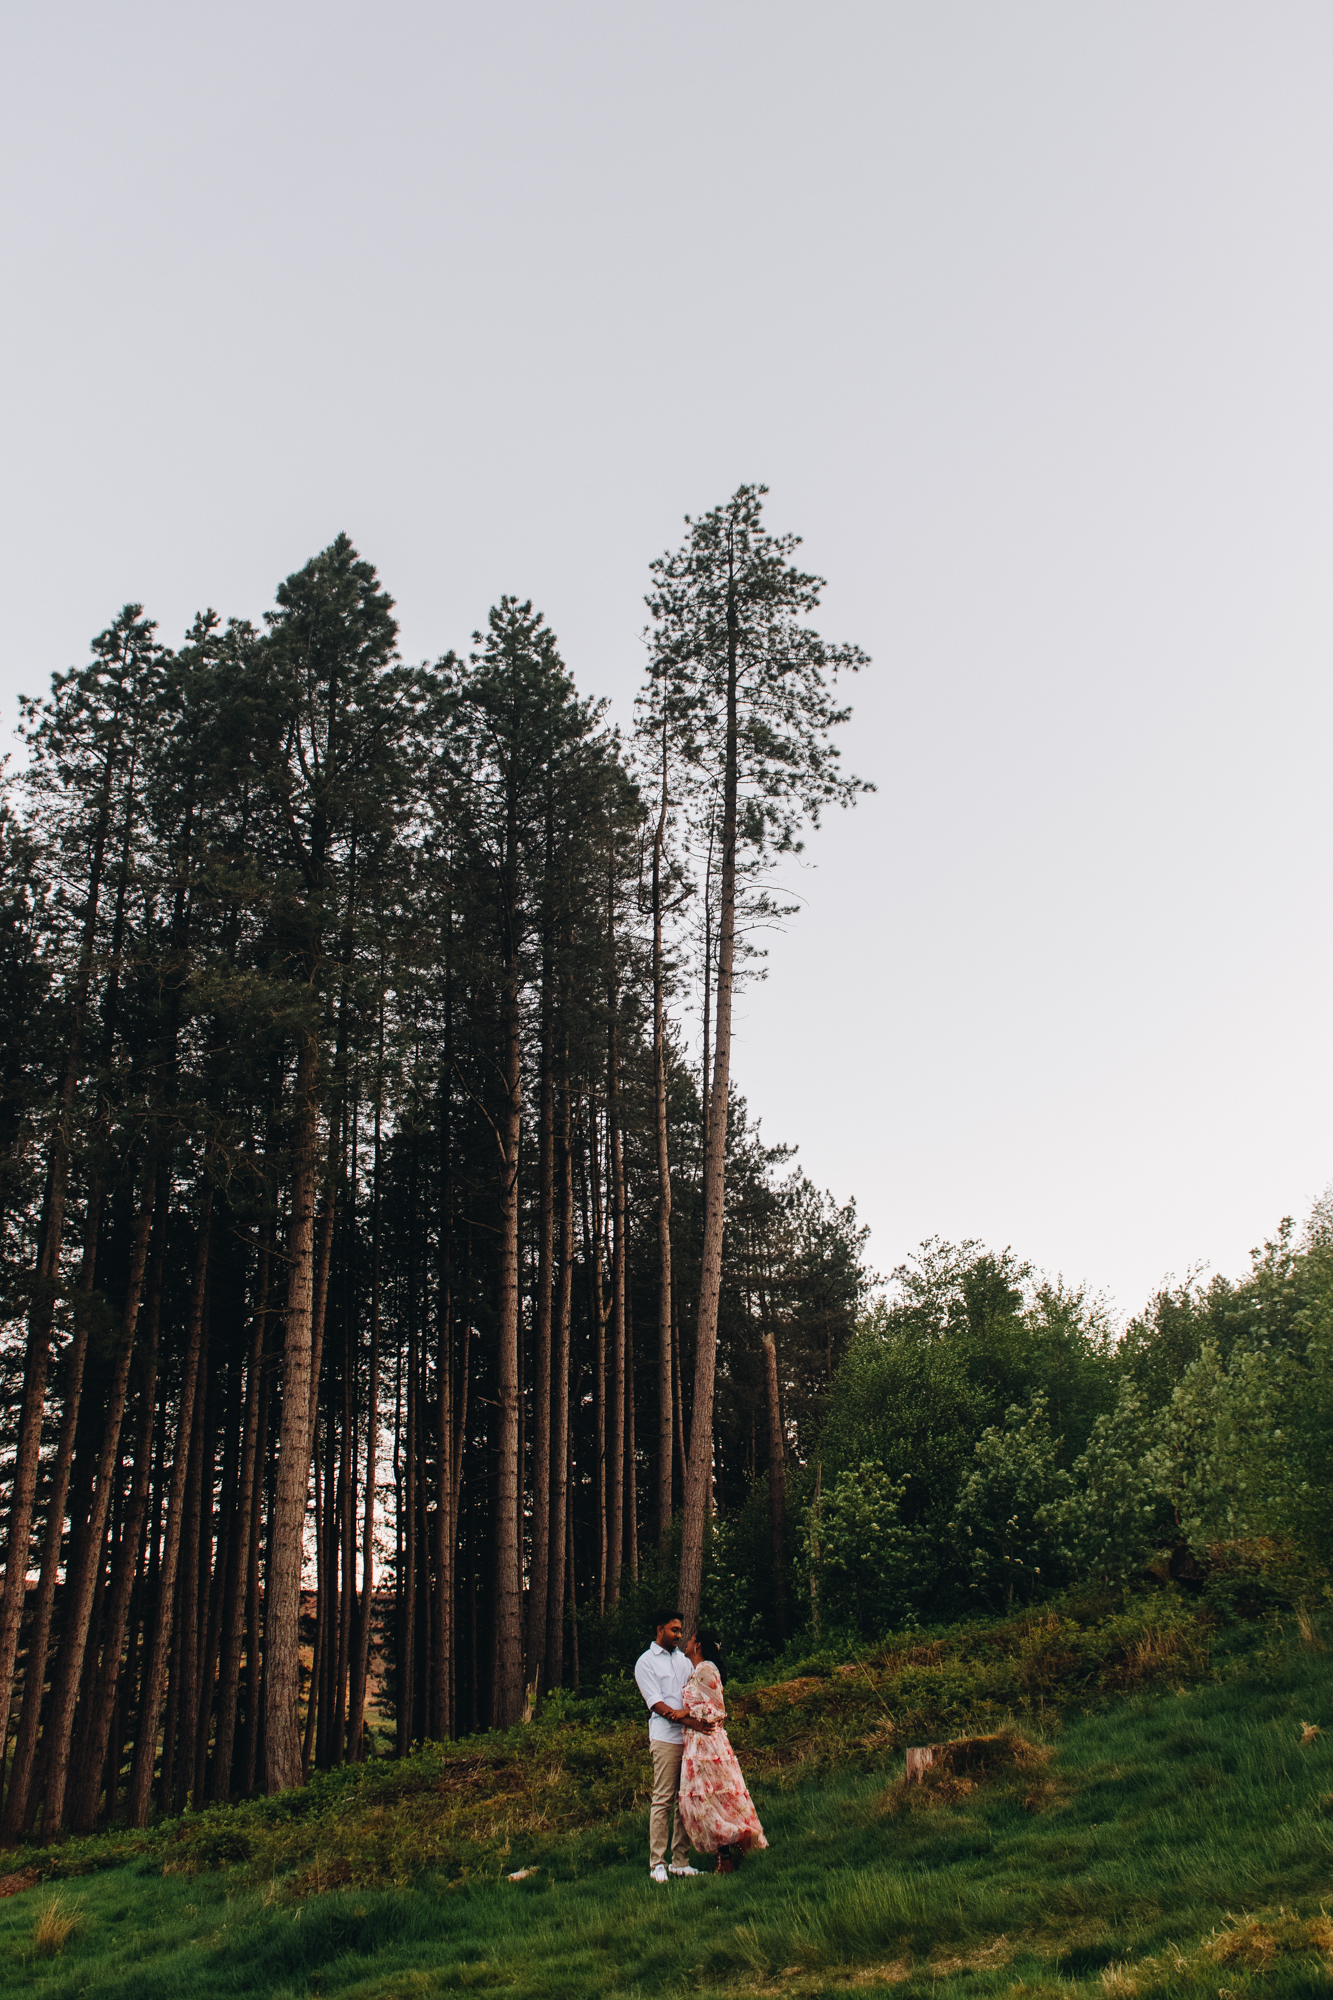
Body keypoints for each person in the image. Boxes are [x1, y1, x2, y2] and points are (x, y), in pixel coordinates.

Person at [677, 1627, 767, 1875]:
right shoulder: (698, 1670)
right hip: (696, 1742)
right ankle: (732, 1846)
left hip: (707, 1744)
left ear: (698, 1645)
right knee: (705, 1800)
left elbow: (717, 1710)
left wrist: (685, 1713)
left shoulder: (706, 1669)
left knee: (708, 1799)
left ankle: (727, 1855)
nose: (687, 1642)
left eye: (691, 1639)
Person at [633, 1607, 711, 1884]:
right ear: (659, 1630)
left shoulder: (683, 1660)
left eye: (680, 1630)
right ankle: (657, 1863)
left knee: (685, 1800)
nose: (679, 1635)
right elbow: (656, 1704)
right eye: (674, 1630)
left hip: (689, 1739)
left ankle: (681, 1862)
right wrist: (691, 1722)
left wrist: (698, 1721)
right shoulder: (646, 1662)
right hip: (666, 1738)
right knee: (663, 1799)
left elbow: (694, 1694)